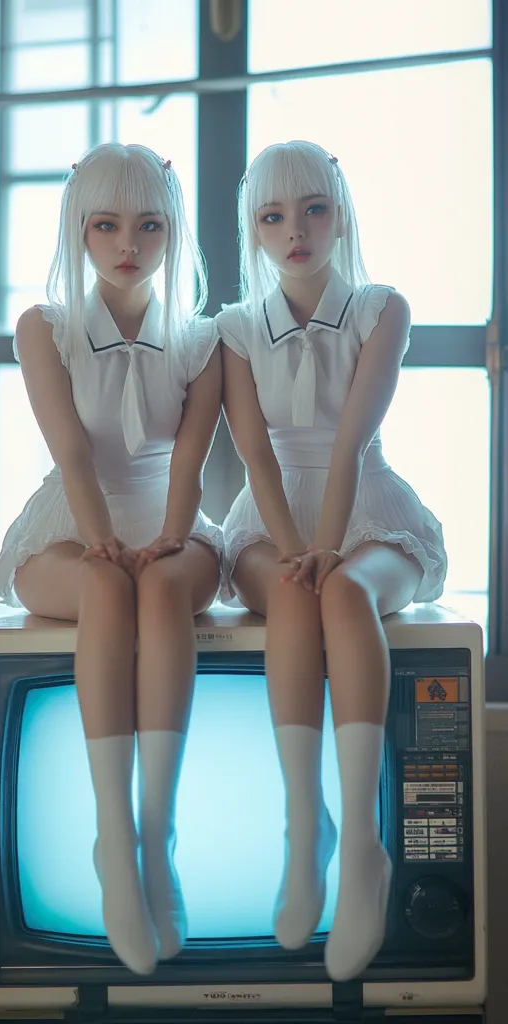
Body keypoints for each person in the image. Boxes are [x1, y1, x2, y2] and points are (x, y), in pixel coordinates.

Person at [0, 143, 223, 975]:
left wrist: (165, 534)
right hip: (69, 524)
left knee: (158, 588)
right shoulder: (42, 330)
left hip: (171, 523)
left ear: (172, 232)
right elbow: (73, 456)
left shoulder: (203, 340)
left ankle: (154, 838)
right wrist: (100, 543)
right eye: (107, 225)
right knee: (105, 584)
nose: (129, 242)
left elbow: (191, 469)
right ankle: (110, 839)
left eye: (150, 225)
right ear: (79, 233)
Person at [217, 140, 447, 981]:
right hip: (271, 518)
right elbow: (257, 460)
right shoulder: (235, 329)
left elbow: (350, 441)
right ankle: (302, 829)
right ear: (253, 229)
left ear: (339, 213)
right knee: (290, 590)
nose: (295, 231)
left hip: (370, 506)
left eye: (312, 209)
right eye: (273, 216)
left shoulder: (383, 309)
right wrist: (291, 548)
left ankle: (364, 851)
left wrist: (327, 547)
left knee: (345, 593)